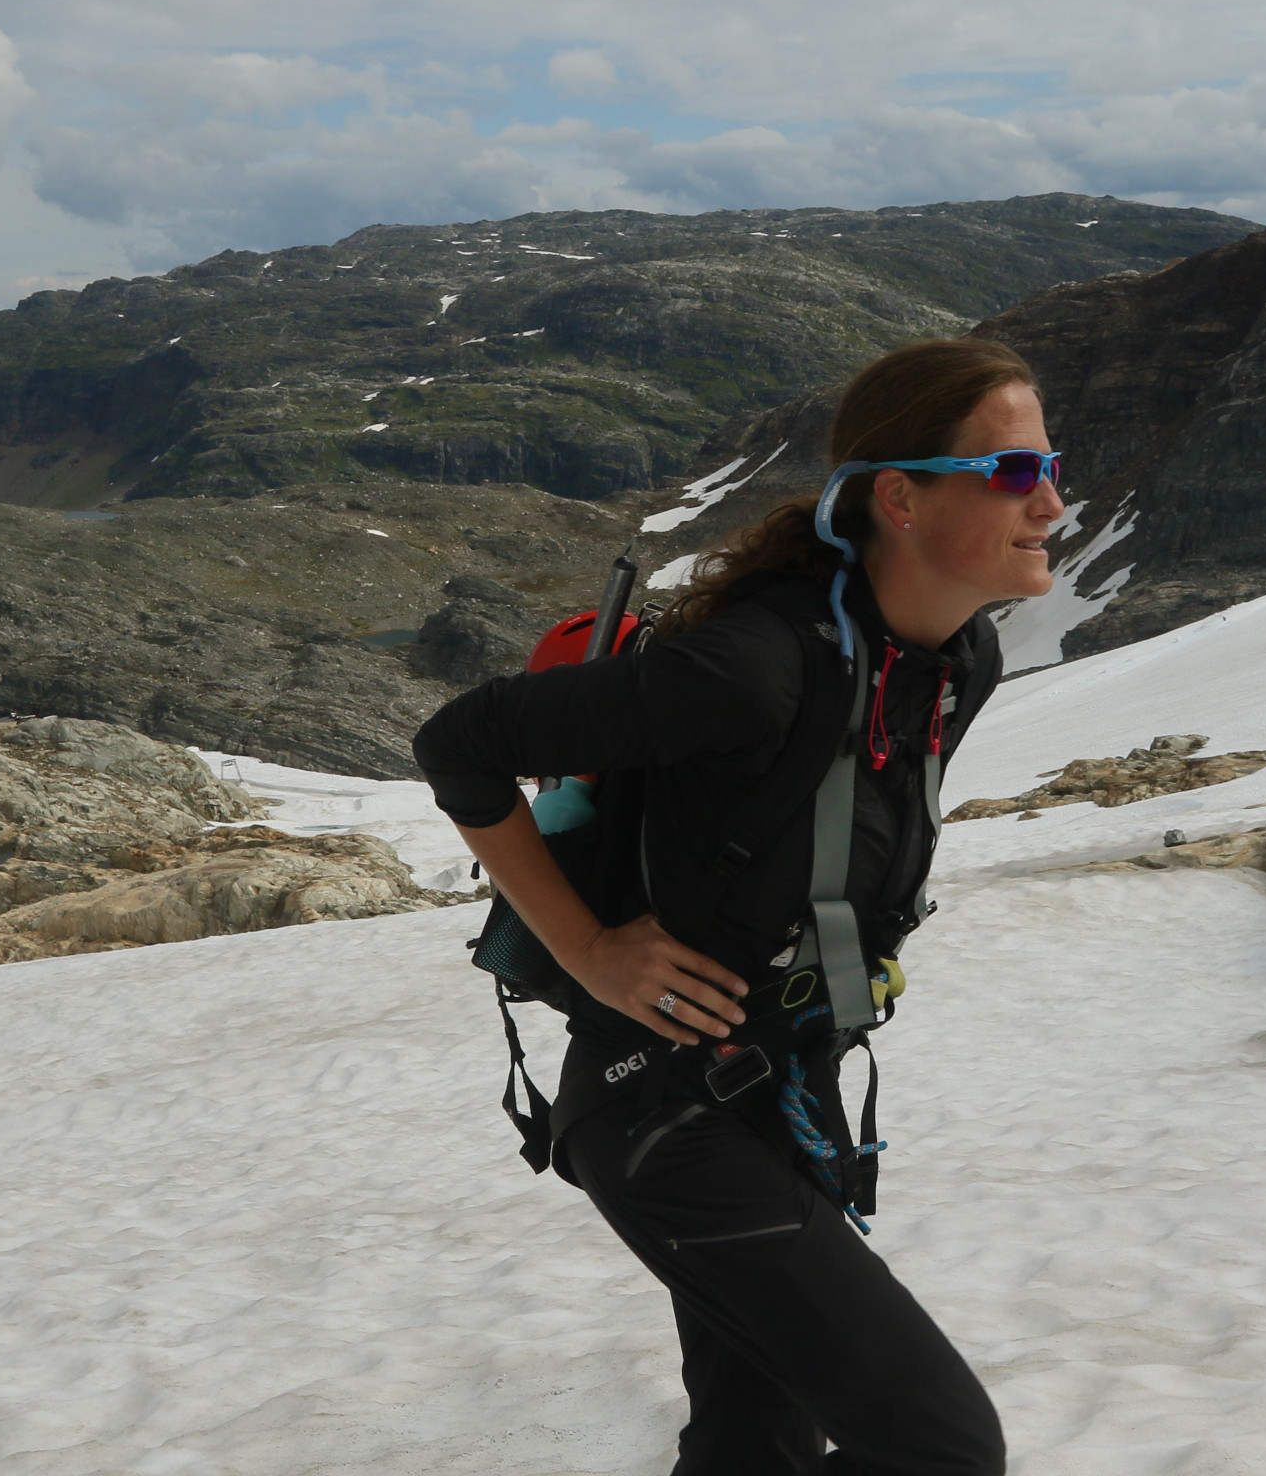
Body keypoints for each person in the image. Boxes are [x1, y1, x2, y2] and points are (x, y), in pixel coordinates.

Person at [412, 338, 1063, 1475]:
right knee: (940, 1449)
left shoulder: (957, 658)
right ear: (899, 498)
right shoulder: (752, 669)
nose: (1050, 501)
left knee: (752, 1441)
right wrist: (591, 948)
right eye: (1013, 472)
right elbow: (460, 745)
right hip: (661, 1110)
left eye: (1051, 466)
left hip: (779, 1087)